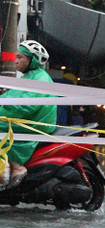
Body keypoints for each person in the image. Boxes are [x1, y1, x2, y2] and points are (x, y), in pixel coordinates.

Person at [0, 40, 57, 189]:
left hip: (36, 122)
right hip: (28, 119)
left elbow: (25, 105)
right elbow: (9, 97)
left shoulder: (40, 78)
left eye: (20, 57)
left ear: (31, 60)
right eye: (16, 56)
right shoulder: (29, 77)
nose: (16, 60)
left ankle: (18, 167)